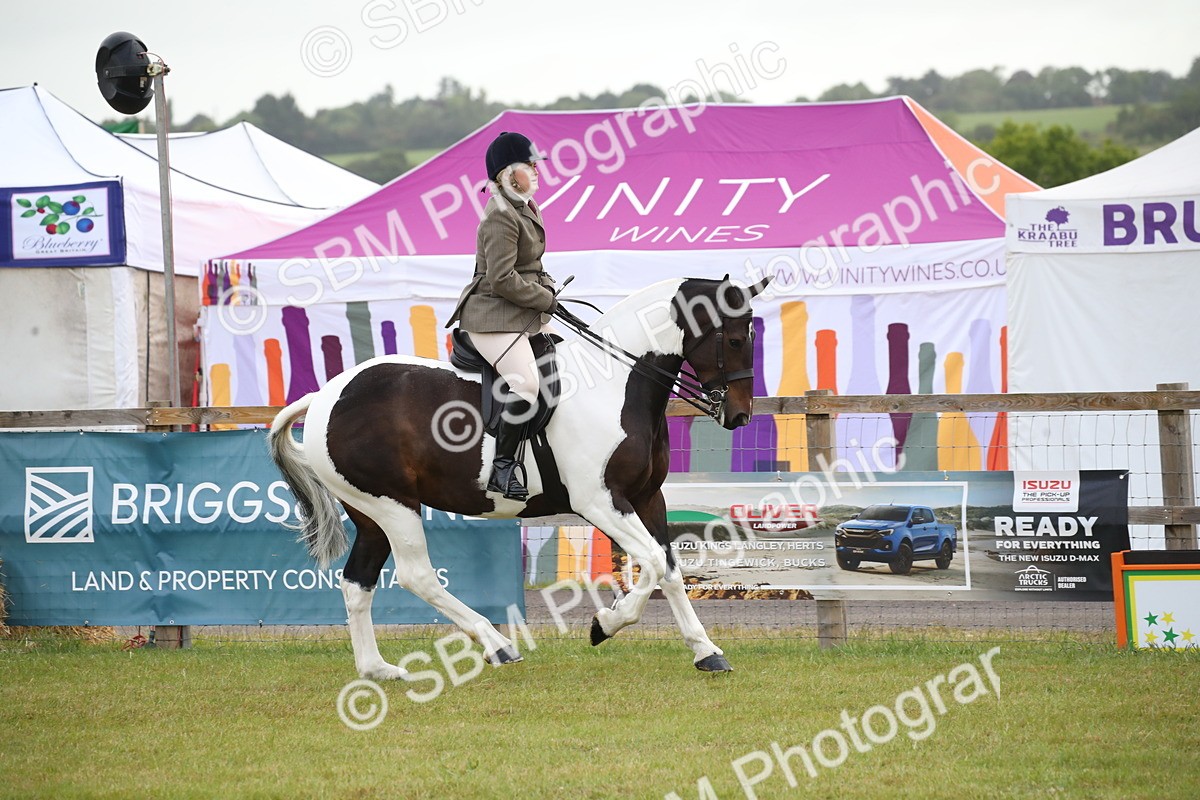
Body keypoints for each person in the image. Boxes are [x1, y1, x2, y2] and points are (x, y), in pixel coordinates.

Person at [447, 131, 557, 501]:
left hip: (516, 312)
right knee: (526, 385)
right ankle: (503, 467)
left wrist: (549, 286)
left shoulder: (526, 206)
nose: (536, 170)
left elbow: (530, 266)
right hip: (491, 315)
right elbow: (502, 278)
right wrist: (543, 298)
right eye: (529, 165)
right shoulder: (500, 216)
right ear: (508, 175)